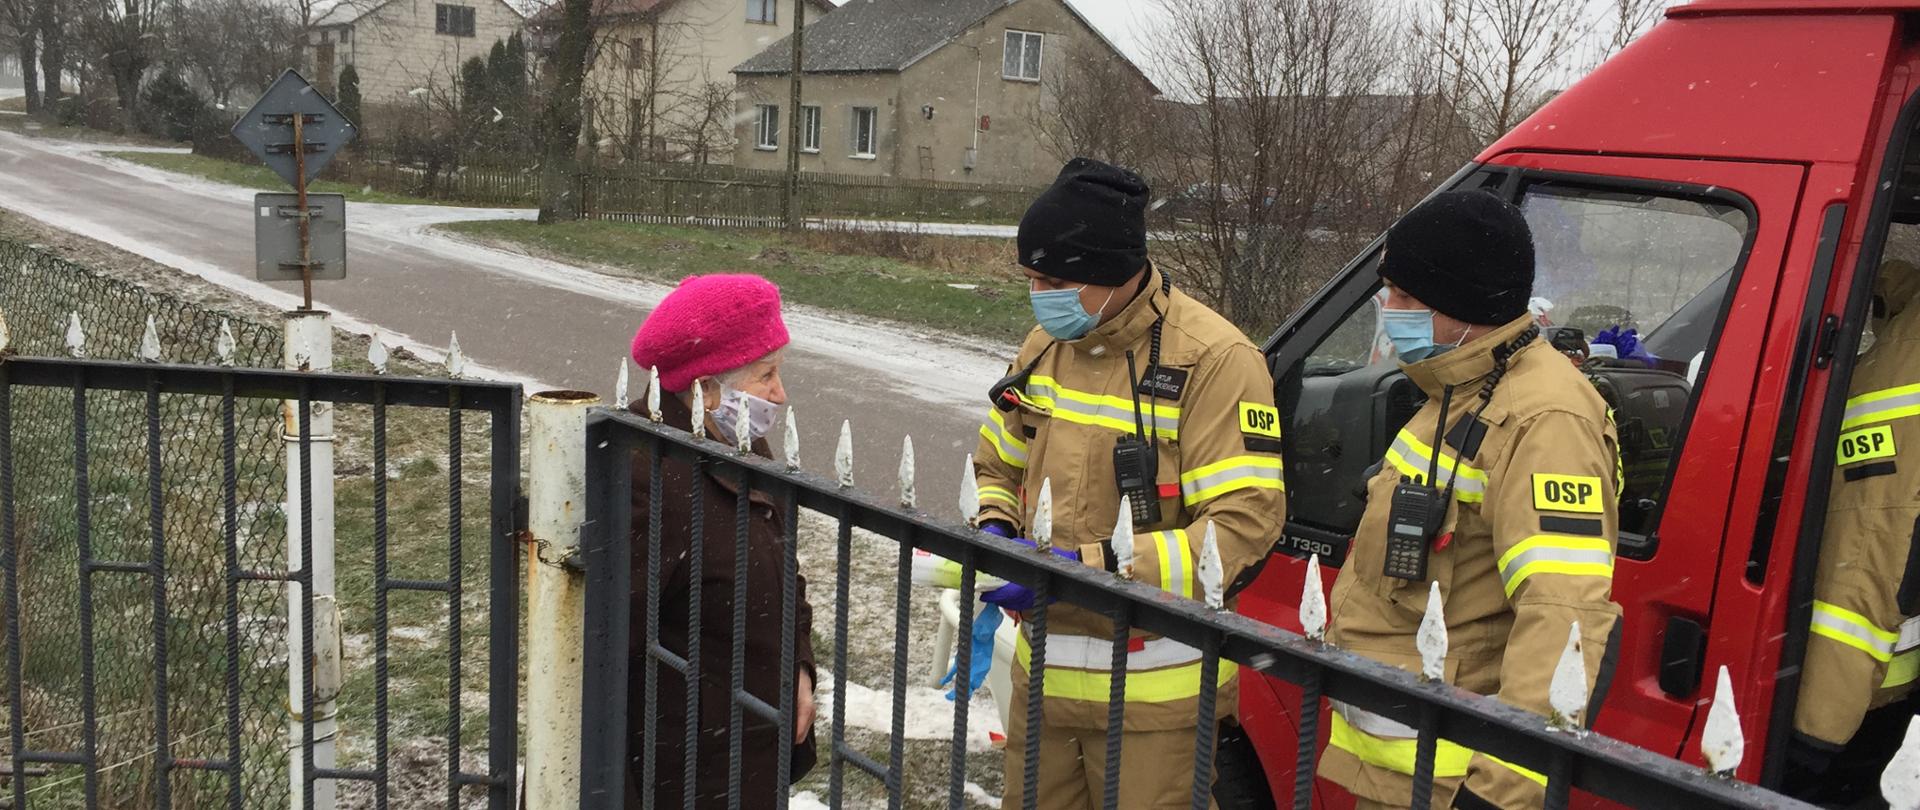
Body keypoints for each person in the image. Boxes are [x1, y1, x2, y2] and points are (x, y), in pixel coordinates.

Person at [971, 157, 1287, 809]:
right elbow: (1000, 456)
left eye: (1055, 280)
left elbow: (1244, 524)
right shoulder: (1044, 346)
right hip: (1046, 679)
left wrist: (1094, 566)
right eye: (1032, 279)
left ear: (1115, 272)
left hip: (1156, 700)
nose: (1040, 294)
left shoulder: (1216, 360)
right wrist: (997, 527)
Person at [1318, 191, 1622, 810]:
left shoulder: (1547, 418)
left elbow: (1563, 612)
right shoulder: (1459, 382)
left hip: (1450, 783)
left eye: (1403, 296)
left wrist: (1499, 794)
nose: (1387, 308)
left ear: (1460, 303)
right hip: (1400, 769)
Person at [622, 274, 817, 810]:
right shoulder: (648, 476)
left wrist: (798, 667)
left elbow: (782, 561)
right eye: (766, 375)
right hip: (683, 766)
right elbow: (605, 646)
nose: (781, 393)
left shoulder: (741, 444)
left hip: (746, 741)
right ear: (705, 389)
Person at [1784, 261, 1920, 806]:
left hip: (1854, 704)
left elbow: (1863, 559)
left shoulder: (1895, 372)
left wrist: (1810, 743)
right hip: (1888, 690)